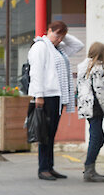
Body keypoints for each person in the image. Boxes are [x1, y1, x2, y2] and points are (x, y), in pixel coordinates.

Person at [27, 20, 84, 181]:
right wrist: (39, 96)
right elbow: (36, 72)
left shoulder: (57, 48)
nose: (59, 39)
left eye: (62, 37)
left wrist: (63, 34)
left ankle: (50, 167)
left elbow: (78, 45)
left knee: (51, 133)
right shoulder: (40, 47)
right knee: (45, 133)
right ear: (49, 30)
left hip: (57, 96)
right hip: (46, 96)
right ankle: (43, 168)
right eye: (57, 34)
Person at [76, 42, 104, 182]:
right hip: (96, 107)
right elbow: (101, 92)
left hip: (87, 107)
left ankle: (90, 168)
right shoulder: (97, 68)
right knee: (97, 138)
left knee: (98, 137)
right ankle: (89, 171)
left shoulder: (83, 66)